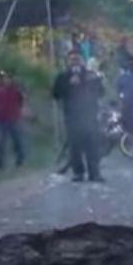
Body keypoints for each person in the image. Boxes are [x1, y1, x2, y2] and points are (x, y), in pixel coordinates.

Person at [52, 49, 105, 182]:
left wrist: (88, 84)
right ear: (68, 62)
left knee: (92, 146)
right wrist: (68, 85)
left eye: (78, 59)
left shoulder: (91, 75)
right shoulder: (63, 76)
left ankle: (95, 173)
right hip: (72, 117)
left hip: (90, 115)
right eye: (72, 59)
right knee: (75, 146)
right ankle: (78, 172)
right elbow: (56, 94)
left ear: (82, 61)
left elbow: (100, 92)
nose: (75, 62)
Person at [0, 70, 26, 170]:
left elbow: (21, 102)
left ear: (10, 79)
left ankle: (20, 161)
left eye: (6, 78)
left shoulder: (16, 90)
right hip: (0, 120)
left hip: (13, 119)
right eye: (2, 78)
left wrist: (19, 113)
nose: (4, 80)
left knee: (17, 141)